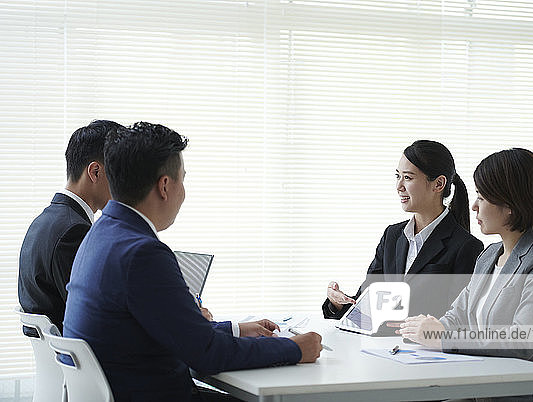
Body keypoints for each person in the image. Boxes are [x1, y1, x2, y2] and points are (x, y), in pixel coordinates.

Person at [63, 122, 322, 402]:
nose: (183, 192)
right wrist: (294, 348)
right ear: (164, 185)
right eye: (182, 180)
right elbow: (207, 354)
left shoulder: (100, 235)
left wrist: (234, 329)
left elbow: (173, 329)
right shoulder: (142, 253)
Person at [395, 148, 533, 401]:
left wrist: (442, 338)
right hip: (479, 389)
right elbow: (458, 315)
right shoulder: (488, 255)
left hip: (525, 395)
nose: (474, 206)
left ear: (509, 204)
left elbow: (522, 340)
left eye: (482, 197)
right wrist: (425, 328)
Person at [323, 140, 483, 321]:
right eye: (397, 176)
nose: (399, 186)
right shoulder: (392, 236)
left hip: (423, 348)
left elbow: (457, 319)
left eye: (408, 177)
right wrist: (338, 303)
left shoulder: (467, 247)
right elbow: (365, 302)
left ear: (438, 184)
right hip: (381, 347)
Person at [18, 120, 122, 332]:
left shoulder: (44, 221)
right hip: (79, 361)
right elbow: (93, 316)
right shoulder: (73, 232)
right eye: (119, 173)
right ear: (95, 172)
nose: (124, 185)